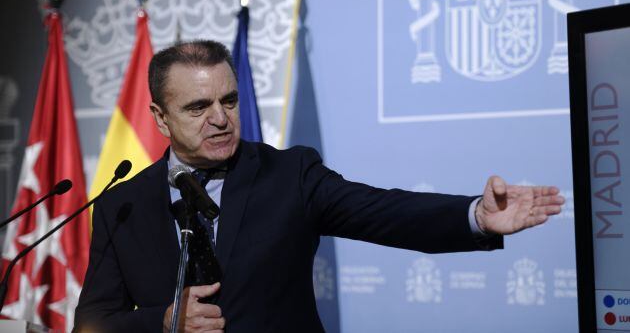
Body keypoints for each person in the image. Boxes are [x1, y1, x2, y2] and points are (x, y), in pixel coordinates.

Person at [74, 41, 564, 332]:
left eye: (228, 100)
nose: (221, 119)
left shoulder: (290, 176)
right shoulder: (121, 203)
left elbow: (385, 211)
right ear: (160, 117)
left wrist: (476, 215)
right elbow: (93, 323)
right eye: (198, 107)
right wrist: (161, 321)